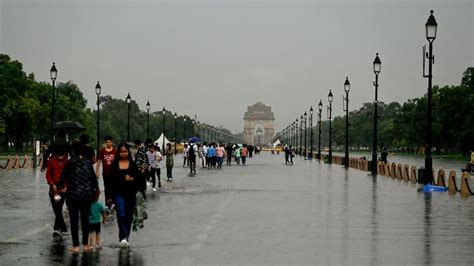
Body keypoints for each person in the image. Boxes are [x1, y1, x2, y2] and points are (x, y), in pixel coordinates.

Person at [57, 142, 99, 253]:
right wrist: (95, 190)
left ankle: (76, 246)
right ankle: (85, 245)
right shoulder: (87, 163)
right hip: (86, 196)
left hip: (73, 196)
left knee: (74, 221)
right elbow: (94, 180)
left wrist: (60, 187)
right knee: (85, 220)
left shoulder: (70, 163)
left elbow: (63, 177)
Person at [109, 143, 146, 248]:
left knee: (129, 216)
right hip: (118, 194)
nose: (123, 154)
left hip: (130, 193)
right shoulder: (115, 165)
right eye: (121, 152)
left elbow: (140, 179)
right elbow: (110, 181)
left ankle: (125, 237)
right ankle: (123, 237)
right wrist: (109, 197)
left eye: (125, 152)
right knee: (121, 215)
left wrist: (132, 179)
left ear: (128, 152)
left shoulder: (133, 165)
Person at [45, 143, 69, 236]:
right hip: (53, 190)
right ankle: (62, 228)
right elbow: (48, 174)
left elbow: (69, 176)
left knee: (59, 208)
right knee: (56, 210)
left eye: (62, 155)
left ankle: (57, 228)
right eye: (58, 155)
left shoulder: (67, 162)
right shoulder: (51, 161)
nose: (60, 157)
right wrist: (52, 184)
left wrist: (66, 186)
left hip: (63, 191)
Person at [96, 136, 117, 208]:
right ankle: (107, 201)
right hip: (105, 173)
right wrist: (97, 171)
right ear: (105, 143)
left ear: (112, 142)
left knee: (113, 187)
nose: (108, 143)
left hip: (114, 173)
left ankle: (113, 201)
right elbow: (98, 161)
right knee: (107, 187)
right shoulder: (102, 151)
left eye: (110, 142)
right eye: (107, 142)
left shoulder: (115, 151)